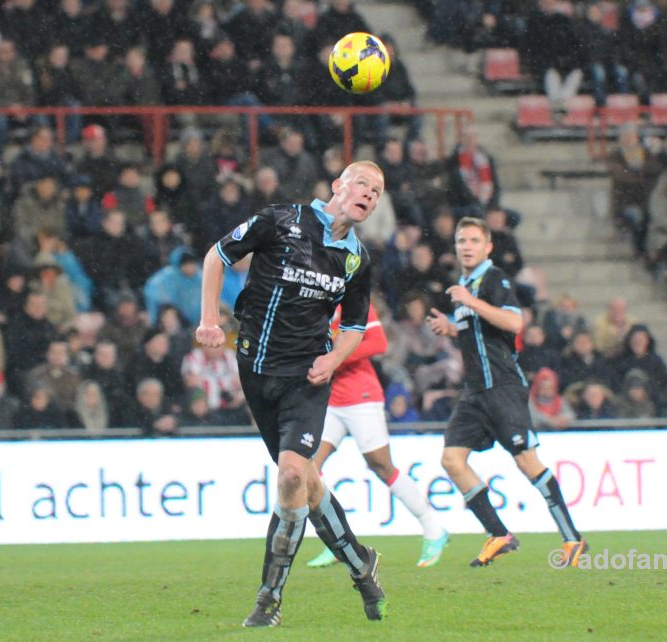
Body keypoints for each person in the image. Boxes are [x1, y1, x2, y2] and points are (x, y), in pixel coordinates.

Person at [195, 161, 387, 627]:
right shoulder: (281, 220)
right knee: (306, 483)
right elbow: (215, 256)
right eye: (363, 183)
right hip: (256, 372)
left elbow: (356, 327)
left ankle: (269, 599)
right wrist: (209, 320)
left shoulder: (357, 260)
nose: (370, 194)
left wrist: (333, 359)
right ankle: (361, 565)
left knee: (289, 479)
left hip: (306, 380)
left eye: (378, 192)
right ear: (339, 185)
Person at [426, 217, 586, 568]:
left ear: (487, 247)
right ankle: (499, 534)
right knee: (452, 459)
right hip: (474, 392)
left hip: (502, 387)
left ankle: (573, 540)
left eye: (473, 240)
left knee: (526, 462)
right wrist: (452, 329)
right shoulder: (464, 285)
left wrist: (471, 301)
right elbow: (481, 333)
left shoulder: (494, 279)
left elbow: (514, 323)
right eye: (461, 240)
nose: (466, 246)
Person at [306, 303, 449, 570]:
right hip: (329, 400)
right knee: (309, 469)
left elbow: (378, 343)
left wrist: (335, 357)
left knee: (382, 466)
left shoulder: (351, 301)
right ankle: (339, 543)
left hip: (361, 397)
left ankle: (434, 529)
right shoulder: (310, 304)